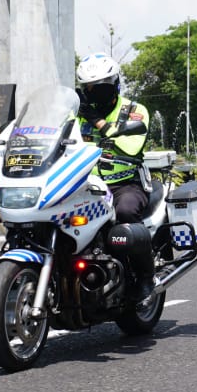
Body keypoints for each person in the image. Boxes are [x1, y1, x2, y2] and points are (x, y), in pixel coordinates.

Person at [75, 53, 154, 299]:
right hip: (83, 184)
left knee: (126, 213)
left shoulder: (134, 111)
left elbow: (130, 147)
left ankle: (145, 277)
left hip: (124, 184)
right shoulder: (77, 113)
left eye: (101, 87)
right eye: (89, 88)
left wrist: (96, 120)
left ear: (115, 84)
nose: (94, 92)